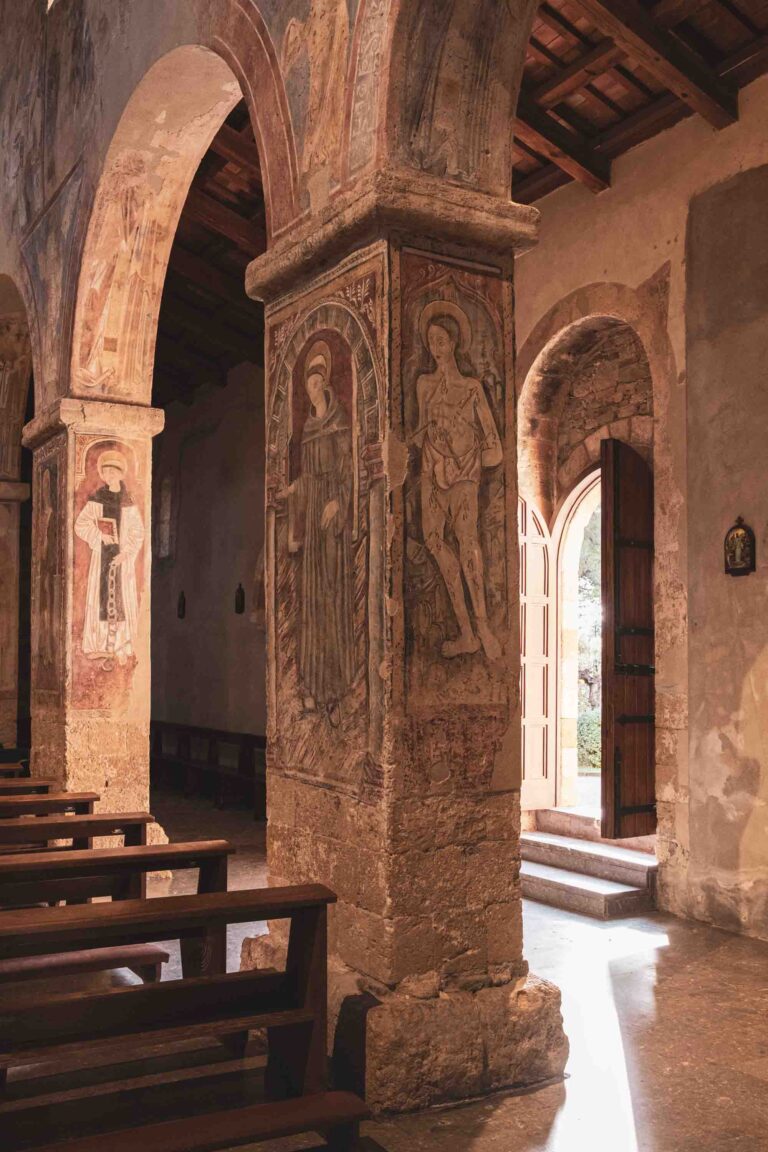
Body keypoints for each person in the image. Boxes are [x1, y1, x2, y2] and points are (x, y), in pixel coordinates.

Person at [414, 303, 503, 661]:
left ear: (453, 343)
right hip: (430, 475)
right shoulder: (423, 385)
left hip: (464, 477)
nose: (435, 346)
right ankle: (466, 631)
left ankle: (483, 627)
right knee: (434, 542)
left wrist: (462, 464)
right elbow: (420, 431)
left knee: (469, 544)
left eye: (441, 339)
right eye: (430, 340)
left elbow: (495, 448)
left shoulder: (472, 388)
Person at [286, 341, 356, 719]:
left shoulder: (339, 420)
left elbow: (348, 468)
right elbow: (307, 477)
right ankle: (311, 685)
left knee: (331, 597)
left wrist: (339, 501)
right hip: (312, 519)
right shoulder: (309, 427)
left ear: (324, 381)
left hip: (331, 519)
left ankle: (335, 685)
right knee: (311, 602)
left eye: (316, 381)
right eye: (307, 384)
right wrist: (294, 490)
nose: (312, 388)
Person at [74, 449, 144, 668]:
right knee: (100, 599)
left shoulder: (128, 501)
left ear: (121, 474)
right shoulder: (97, 499)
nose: (110, 475)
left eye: (114, 471)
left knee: (122, 599)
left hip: (122, 562)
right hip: (102, 557)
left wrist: (127, 553)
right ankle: (101, 645)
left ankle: (121, 645)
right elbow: (81, 524)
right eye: (106, 472)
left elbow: (138, 532)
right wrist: (99, 536)